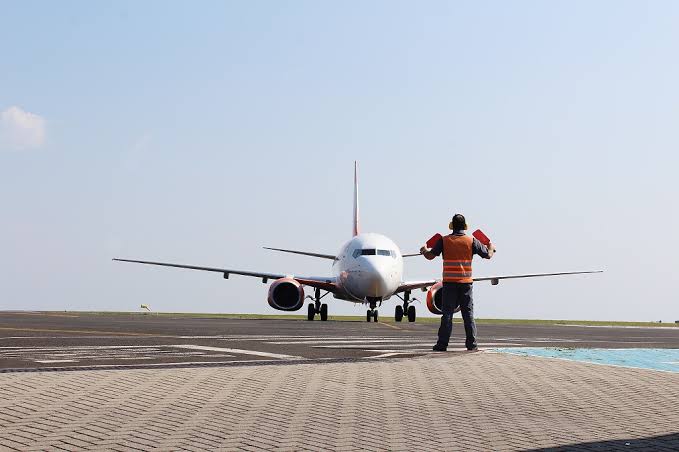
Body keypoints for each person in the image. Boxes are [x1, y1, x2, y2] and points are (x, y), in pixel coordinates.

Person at [420, 214, 495, 351]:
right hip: (466, 283)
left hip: (449, 283)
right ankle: (471, 344)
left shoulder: (444, 240)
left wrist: (424, 249)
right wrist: (490, 246)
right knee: (468, 315)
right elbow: (488, 255)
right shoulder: (471, 240)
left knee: (447, 315)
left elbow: (430, 256)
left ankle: (442, 344)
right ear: (465, 226)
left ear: (451, 226)